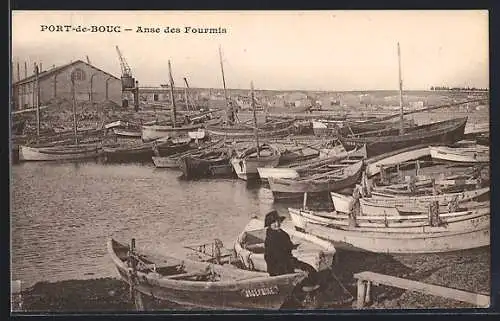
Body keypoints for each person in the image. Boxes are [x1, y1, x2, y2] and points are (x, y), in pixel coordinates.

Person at [264, 210, 316, 277]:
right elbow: (272, 257)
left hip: (288, 261)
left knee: (309, 268)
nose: (277, 224)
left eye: (278, 221)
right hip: (276, 267)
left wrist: (294, 247)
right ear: (269, 224)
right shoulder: (270, 238)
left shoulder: (283, 234)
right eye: (273, 222)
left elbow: (288, 247)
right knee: (303, 272)